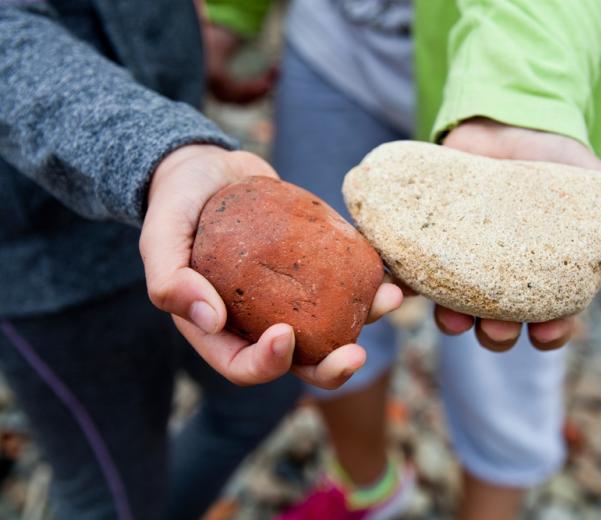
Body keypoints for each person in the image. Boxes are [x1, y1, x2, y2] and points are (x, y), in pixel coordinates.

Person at [205, 0, 601, 518]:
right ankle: (369, 487)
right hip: (333, 42)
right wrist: (234, 10)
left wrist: (522, 97)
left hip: (530, 57)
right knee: (318, 309)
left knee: (502, 354)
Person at [0, 1, 401, 519]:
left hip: (187, 190)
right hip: (46, 258)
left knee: (262, 395)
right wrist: (161, 149)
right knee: (114, 495)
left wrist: (205, 34)